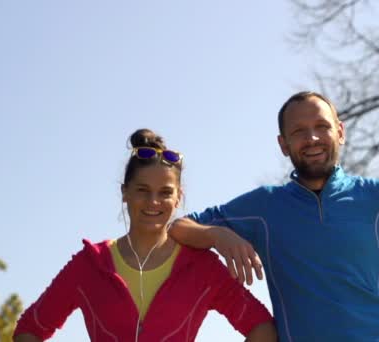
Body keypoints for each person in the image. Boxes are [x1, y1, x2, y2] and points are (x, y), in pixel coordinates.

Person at [168, 92, 379, 342]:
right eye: (299, 131)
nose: (313, 138)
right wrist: (217, 235)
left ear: (340, 131)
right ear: (283, 144)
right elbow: (179, 227)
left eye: (322, 126)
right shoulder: (263, 208)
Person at [14, 129, 277, 342]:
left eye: (165, 192)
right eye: (142, 190)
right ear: (124, 192)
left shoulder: (201, 268)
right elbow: (29, 330)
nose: (153, 201)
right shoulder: (89, 265)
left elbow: (262, 329)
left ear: (178, 199)